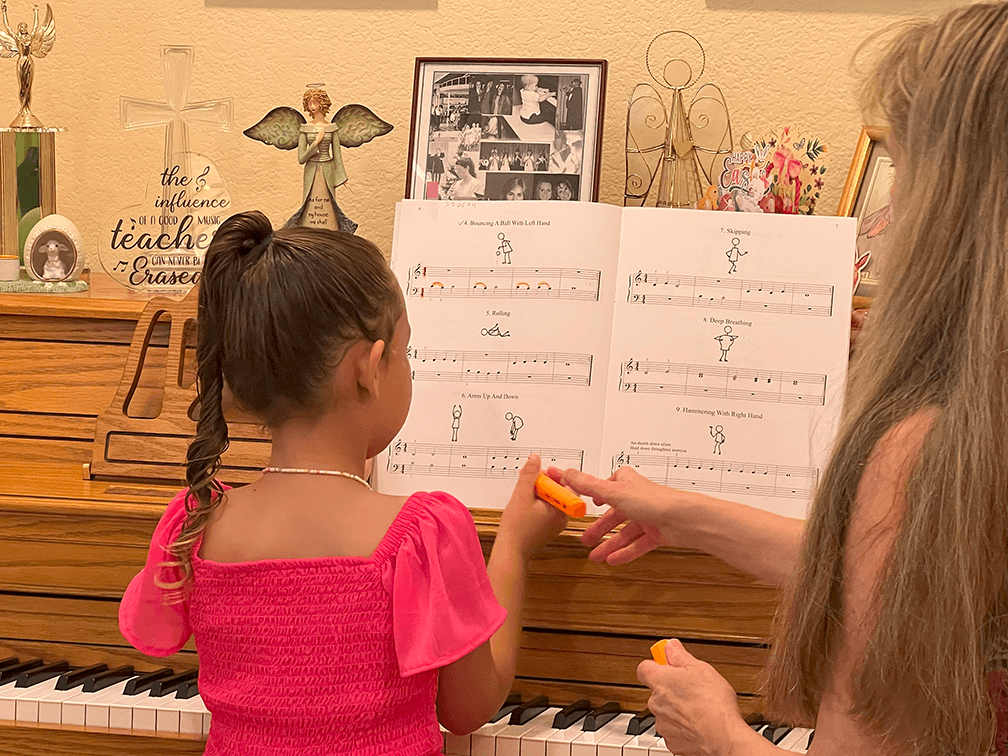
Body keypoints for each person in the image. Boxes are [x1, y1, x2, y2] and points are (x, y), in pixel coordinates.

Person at [552, 4, 1007, 755]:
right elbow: (897, 571)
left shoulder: (925, 446)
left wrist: (718, 733)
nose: (888, 215)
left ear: (960, 206)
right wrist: (684, 515)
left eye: (905, 172)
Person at [119, 212, 568, 755]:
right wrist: (515, 546)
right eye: (405, 352)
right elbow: (467, 709)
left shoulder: (198, 520)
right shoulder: (423, 531)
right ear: (369, 367)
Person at [288, 87, 356, 234]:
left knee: (328, 202)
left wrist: (343, 177)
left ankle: (329, 230)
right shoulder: (305, 128)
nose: (312, 106)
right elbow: (301, 158)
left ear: (322, 103)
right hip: (311, 169)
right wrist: (315, 143)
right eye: (309, 103)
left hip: (327, 169)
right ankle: (308, 230)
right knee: (310, 200)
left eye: (315, 102)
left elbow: (337, 155)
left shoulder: (332, 128)